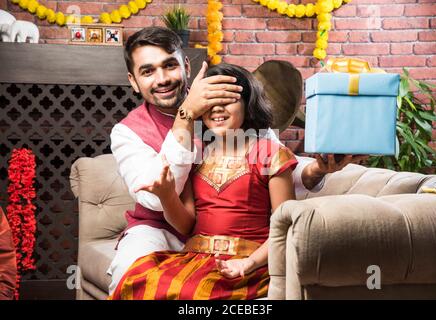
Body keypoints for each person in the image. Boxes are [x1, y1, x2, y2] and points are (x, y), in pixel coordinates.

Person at [107, 26, 366, 295]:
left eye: (169, 65)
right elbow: (152, 197)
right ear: (134, 81)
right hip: (159, 228)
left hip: (238, 239)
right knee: (132, 276)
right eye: (147, 71)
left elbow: (272, 161)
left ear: (185, 66)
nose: (162, 79)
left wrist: (316, 169)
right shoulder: (126, 131)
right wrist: (186, 114)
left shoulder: (225, 100)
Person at [110, 63, 298, 300]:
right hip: (197, 259)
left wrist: (248, 263)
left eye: (227, 99)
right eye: (209, 101)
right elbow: (187, 226)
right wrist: (167, 196)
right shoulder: (194, 155)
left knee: (191, 293)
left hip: (248, 262)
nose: (217, 108)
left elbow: (286, 228)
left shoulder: (270, 154)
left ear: (247, 104)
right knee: (137, 280)